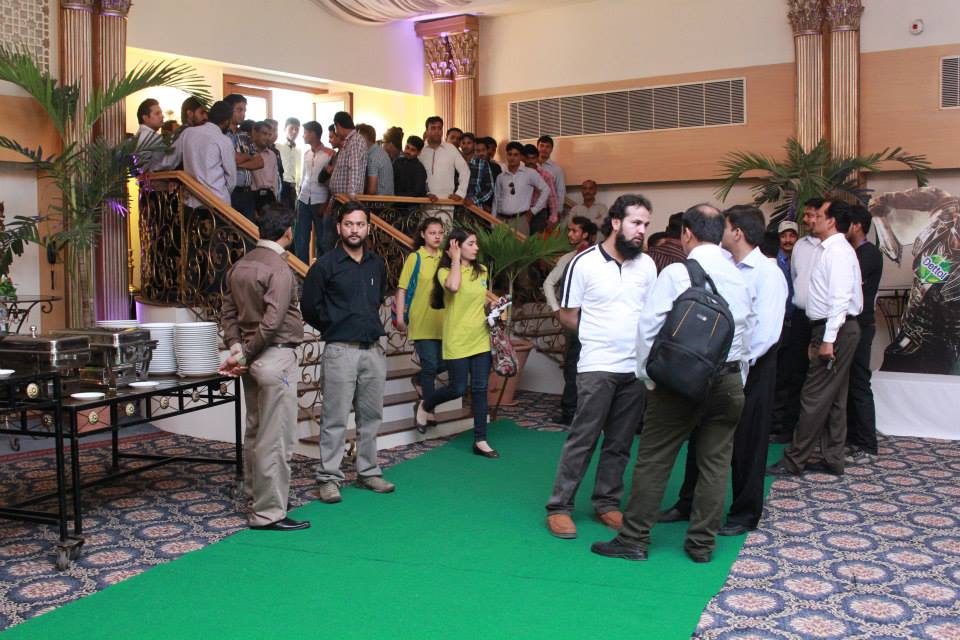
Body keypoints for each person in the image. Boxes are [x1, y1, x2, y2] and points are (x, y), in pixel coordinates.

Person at [591, 204, 752, 564]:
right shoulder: (737, 274)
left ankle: (634, 539)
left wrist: (648, 377)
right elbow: (747, 335)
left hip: (681, 382)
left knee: (655, 459)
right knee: (715, 464)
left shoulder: (678, 273)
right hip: (728, 381)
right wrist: (737, 380)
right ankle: (701, 545)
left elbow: (649, 328)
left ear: (687, 233)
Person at [660, 205, 786, 536]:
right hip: (716, 365)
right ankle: (688, 502)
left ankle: (744, 513)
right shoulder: (723, 265)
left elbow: (765, 333)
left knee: (747, 443)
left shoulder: (768, 272)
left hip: (752, 367)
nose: (719, 232)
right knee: (701, 434)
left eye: (724, 226)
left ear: (737, 233)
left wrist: (736, 363)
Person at [545, 195, 658, 539]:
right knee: (583, 438)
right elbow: (568, 315)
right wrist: (599, 336)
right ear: (616, 222)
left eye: (645, 224)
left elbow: (651, 315)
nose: (641, 230)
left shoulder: (647, 265)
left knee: (620, 442)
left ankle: (607, 502)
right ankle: (560, 507)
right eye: (636, 223)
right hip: (596, 366)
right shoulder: (584, 263)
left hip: (634, 370)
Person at [219, 202, 308, 531]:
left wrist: (236, 346)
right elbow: (272, 323)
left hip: (253, 358)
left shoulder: (240, 265)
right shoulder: (279, 269)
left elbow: (227, 312)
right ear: (288, 232)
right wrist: (244, 354)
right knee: (276, 437)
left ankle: (257, 497)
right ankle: (269, 512)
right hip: (274, 358)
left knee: (256, 431)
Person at [301, 202, 394, 503]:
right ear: (339, 227)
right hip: (340, 351)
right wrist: (335, 325)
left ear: (368, 228)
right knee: (335, 418)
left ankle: (368, 472)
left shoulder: (376, 264)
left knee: (371, 417)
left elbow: (377, 299)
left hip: (373, 351)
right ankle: (329, 478)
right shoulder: (325, 266)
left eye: (360, 224)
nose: (355, 230)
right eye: (349, 224)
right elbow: (309, 307)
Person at [768, 200, 863, 477]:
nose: (812, 220)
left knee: (813, 395)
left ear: (831, 221)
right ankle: (833, 458)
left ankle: (794, 459)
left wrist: (828, 339)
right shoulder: (827, 249)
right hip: (830, 328)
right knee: (835, 398)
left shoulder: (837, 252)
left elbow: (840, 299)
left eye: (819, 215)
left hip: (835, 329)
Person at [414, 228, 498, 457]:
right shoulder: (444, 271)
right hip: (457, 339)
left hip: (480, 338)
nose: (476, 248)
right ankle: (426, 404)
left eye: (476, 243)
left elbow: (479, 299)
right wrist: (455, 260)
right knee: (457, 388)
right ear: (456, 246)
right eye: (471, 243)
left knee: (480, 389)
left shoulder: (481, 271)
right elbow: (453, 287)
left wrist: (492, 307)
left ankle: (480, 439)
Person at [770, 199, 823, 443]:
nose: (808, 220)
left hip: (821, 320)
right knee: (791, 375)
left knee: (816, 378)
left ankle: (813, 434)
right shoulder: (801, 247)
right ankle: (786, 429)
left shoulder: (833, 248)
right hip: (796, 320)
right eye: (807, 215)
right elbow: (794, 282)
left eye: (812, 215)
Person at [542, 216, 597, 425]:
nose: (570, 234)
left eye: (575, 231)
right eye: (569, 230)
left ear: (586, 234)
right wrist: (556, 310)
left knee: (590, 366)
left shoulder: (598, 256)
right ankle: (571, 411)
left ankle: (579, 411)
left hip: (595, 319)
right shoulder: (568, 258)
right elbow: (548, 283)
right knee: (573, 365)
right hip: (576, 319)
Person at [395, 217, 447, 432]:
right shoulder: (415, 258)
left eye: (440, 233)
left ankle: (419, 380)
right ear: (423, 235)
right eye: (432, 232)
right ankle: (427, 411)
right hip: (422, 321)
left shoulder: (446, 258)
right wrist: (400, 317)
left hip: (445, 322)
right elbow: (402, 288)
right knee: (431, 366)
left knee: (448, 363)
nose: (437, 236)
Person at [845, 204, 883, 464]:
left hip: (862, 326)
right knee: (850, 384)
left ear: (857, 226)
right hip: (854, 325)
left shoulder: (868, 254)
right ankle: (854, 439)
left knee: (859, 383)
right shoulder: (854, 252)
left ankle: (868, 445)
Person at [179, 101, 236, 209]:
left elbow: (169, 161)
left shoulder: (188, 133)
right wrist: (221, 193)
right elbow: (231, 178)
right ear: (227, 121)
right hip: (218, 202)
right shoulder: (224, 140)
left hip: (192, 201)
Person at [295, 120, 335, 263]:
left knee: (322, 240)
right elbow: (303, 177)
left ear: (313, 134)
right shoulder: (306, 153)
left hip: (320, 201)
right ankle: (301, 270)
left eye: (305, 133)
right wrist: (298, 199)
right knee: (300, 238)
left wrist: (327, 203)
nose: (303, 135)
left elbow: (332, 182)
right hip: (304, 200)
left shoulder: (330, 154)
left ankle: (321, 270)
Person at [492, 141, 549, 235]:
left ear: (521, 157)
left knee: (520, 245)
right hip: (501, 220)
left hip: (520, 221)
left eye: (516, 155)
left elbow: (546, 190)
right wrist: (493, 221)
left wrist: (533, 211)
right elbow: (496, 199)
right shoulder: (501, 177)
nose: (512, 157)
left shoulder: (530, 173)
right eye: (509, 154)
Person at [224, 94, 263, 221]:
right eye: (239, 110)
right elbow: (233, 159)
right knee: (229, 227)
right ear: (229, 110)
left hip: (247, 192)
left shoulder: (245, 136)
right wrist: (249, 156)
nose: (243, 114)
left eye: (244, 110)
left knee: (248, 230)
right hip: (230, 192)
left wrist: (237, 162)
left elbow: (260, 162)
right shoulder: (222, 135)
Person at [420, 116, 469, 207]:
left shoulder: (451, 149)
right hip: (424, 202)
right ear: (426, 131)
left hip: (447, 203)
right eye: (433, 128)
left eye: (439, 128)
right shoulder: (421, 150)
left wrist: (460, 193)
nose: (437, 131)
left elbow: (465, 171)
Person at [328, 111, 367, 202]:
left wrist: (351, 199)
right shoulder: (348, 141)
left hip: (347, 200)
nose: (336, 133)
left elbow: (354, 169)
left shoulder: (355, 141)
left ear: (338, 125)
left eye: (335, 129)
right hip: (341, 199)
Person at [522, 144, 559, 233]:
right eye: (527, 158)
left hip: (539, 213)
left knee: (537, 240)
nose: (530, 161)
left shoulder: (545, 175)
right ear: (523, 158)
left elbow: (552, 198)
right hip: (522, 211)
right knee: (521, 238)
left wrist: (553, 218)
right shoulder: (519, 174)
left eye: (533, 158)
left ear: (537, 158)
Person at [357, 123, 394, 196]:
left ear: (363, 138)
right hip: (387, 199)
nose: (356, 142)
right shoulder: (380, 151)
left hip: (379, 201)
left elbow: (372, 190)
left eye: (357, 139)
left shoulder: (373, 157)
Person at [250, 121, 279, 211]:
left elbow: (275, 179)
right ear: (255, 133)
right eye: (264, 134)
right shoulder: (248, 152)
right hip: (252, 196)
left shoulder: (272, 155)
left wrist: (274, 197)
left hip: (269, 196)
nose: (267, 137)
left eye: (269, 135)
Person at [465, 135, 495, 211]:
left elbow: (490, 188)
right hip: (459, 206)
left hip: (478, 208)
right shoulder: (460, 162)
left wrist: (474, 200)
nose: (481, 153)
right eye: (477, 151)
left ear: (487, 151)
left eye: (483, 150)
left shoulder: (486, 165)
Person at [538, 135, 567, 211]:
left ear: (551, 149)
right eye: (541, 146)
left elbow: (560, 192)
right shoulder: (530, 166)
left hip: (549, 209)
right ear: (537, 147)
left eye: (547, 147)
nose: (544, 149)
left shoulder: (557, 169)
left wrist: (558, 211)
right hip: (530, 208)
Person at [278, 117, 301, 211]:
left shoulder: (298, 150)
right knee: (280, 213)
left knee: (292, 214)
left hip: (294, 187)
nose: (294, 131)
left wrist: (298, 187)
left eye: (297, 129)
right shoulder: (278, 147)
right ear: (284, 129)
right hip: (282, 185)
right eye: (291, 128)